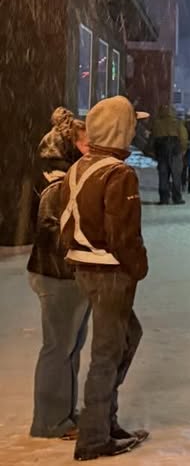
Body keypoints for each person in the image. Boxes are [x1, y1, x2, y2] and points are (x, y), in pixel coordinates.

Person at [59, 96, 150, 461]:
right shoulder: (117, 172)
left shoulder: (80, 167)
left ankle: (104, 421)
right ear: (120, 130)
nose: (135, 130)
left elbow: (64, 220)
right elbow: (123, 234)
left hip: (84, 266)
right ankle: (96, 436)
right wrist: (137, 267)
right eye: (132, 124)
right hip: (110, 270)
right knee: (108, 351)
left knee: (126, 336)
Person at [27, 115, 89, 440]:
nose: (88, 146)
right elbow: (50, 229)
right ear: (68, 143)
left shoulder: (66, 174)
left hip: (60, 273)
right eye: (83, 141)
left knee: (68, 346)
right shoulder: (57, 179)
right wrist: (81, 247)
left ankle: (63, 413)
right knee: (58, 347)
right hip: (58, 275)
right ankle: (50, 421)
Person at [150, 105, 185, 205]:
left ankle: (164, 198)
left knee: (163, 175)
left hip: (161, 150)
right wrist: (182, 149)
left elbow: (152, 139)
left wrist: (153, 152)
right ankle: (177, 197)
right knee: (176, 175)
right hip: (175, 149)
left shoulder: (157, 123)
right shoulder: (177, 123)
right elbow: (183, 137)